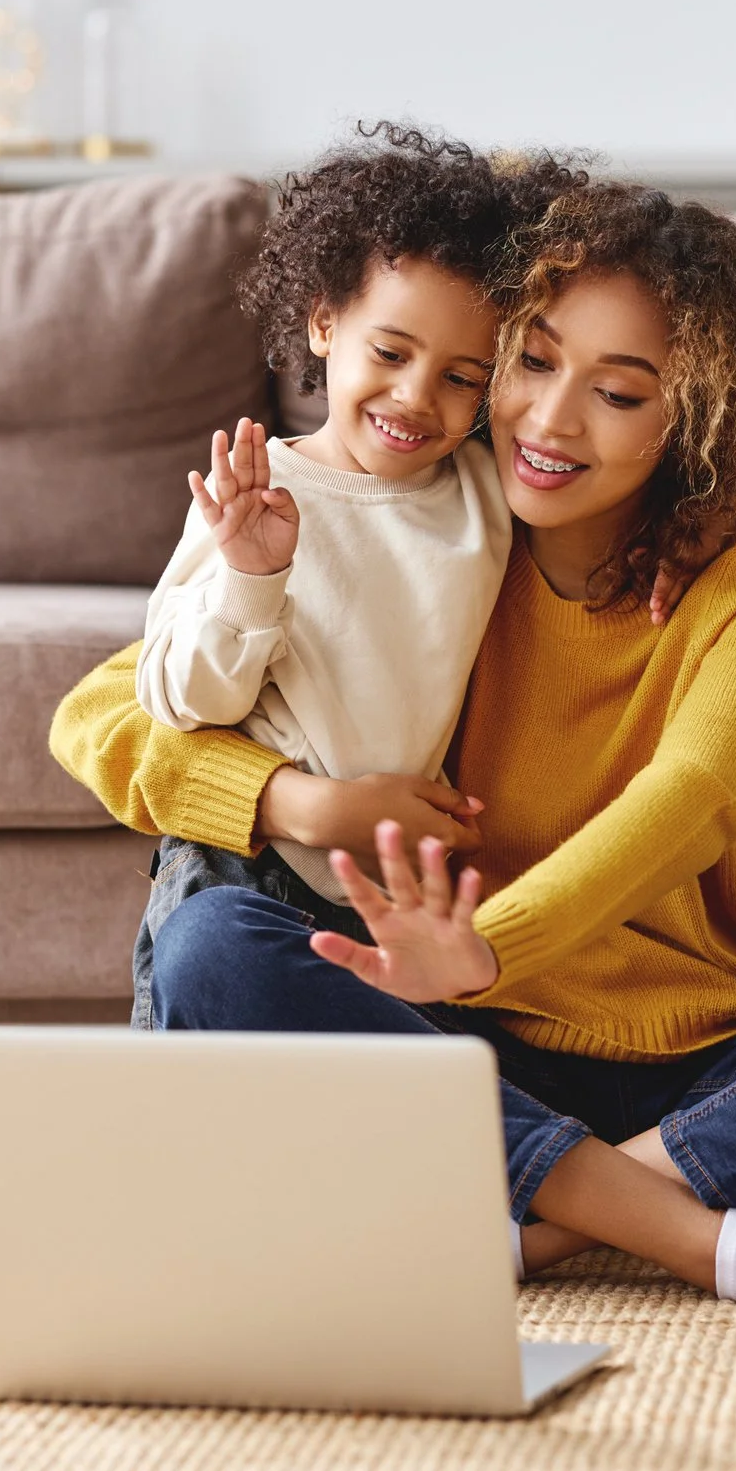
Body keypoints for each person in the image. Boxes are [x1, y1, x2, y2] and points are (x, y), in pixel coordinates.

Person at [52, 181, 736, 1315]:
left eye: (621, 393)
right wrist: (296, 806)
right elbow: (101, 714)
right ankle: (715, 1237)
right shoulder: (440, 518)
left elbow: (692, 797)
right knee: (212, 948)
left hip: (715, 1056)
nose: (549, 422)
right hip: (461, 1046)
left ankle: (540, 1225)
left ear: (695, 417)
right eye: (532, 363)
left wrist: (492, 946)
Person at [128, 125, 579, 1027]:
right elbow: (176, 701)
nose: (416, 397)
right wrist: (252, 576)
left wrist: (671, 546)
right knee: (206, 1100)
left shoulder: (485, 492)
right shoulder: (255, 495)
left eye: (462, 376)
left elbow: (600, 497)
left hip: (395, 883)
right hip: (243, 867)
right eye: (389, 352)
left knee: (354, 1123)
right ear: (324, 321)